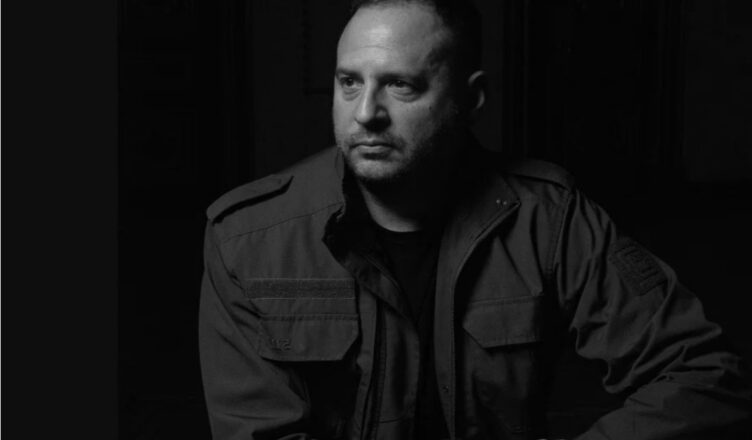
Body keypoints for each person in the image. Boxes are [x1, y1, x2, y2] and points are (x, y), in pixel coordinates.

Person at [198, 0, 752, 438]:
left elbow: (707, 377)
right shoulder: (246, 239)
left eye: (401, 84)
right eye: (349, 82)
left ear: (471, 98)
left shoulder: (548, 218)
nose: (365, 113)